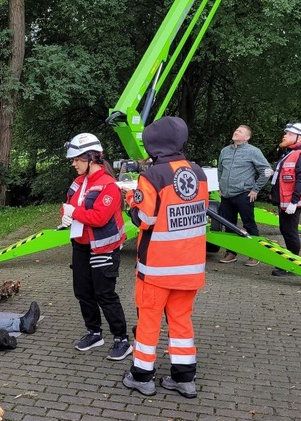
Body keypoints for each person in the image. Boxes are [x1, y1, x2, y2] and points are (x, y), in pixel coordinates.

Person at [121, 116, 208, 398]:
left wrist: (131, 200)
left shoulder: (152, 176)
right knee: (181, 322)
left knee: (149, 323)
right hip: (191, 267)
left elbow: (145, 218)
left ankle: (141, 377)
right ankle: (184, 379)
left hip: (157, 269)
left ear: (152, 145)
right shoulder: (199, 173)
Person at [61, 133, 132, 361]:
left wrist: (75, 213)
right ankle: (94, 332)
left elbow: (100, 217)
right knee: (83, 292)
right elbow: (68, 203)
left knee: (105, 294)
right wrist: (65, 214)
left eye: (76, 159)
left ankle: (121, 339)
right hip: (81, 245)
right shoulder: (78, 182)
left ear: (91, 158)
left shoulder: (108, 185)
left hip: (103, 248)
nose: (73, 164)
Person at [217, 125, 271, 266]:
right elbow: (220, 170)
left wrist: (256, 189)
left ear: (247, 137)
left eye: (240, 131)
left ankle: (255, 253)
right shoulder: (224, 151)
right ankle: (231, 252)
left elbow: (267, 171)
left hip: (244, 194)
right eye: (236, 130)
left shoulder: (253, 152)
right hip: (226, 195)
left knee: (249, 224)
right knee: (228, 225)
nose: (236, 132)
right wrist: (221, 187)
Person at [268, 122, 301, 277]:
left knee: (290, 232)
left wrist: (294, 202)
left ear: (299, 137)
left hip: (291, 202)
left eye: (288, 134)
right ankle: (290, 262)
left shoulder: (300, 155)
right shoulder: (289, 152)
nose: (284, 135)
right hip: (285, 201)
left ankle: (293, 266)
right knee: (285, 230)